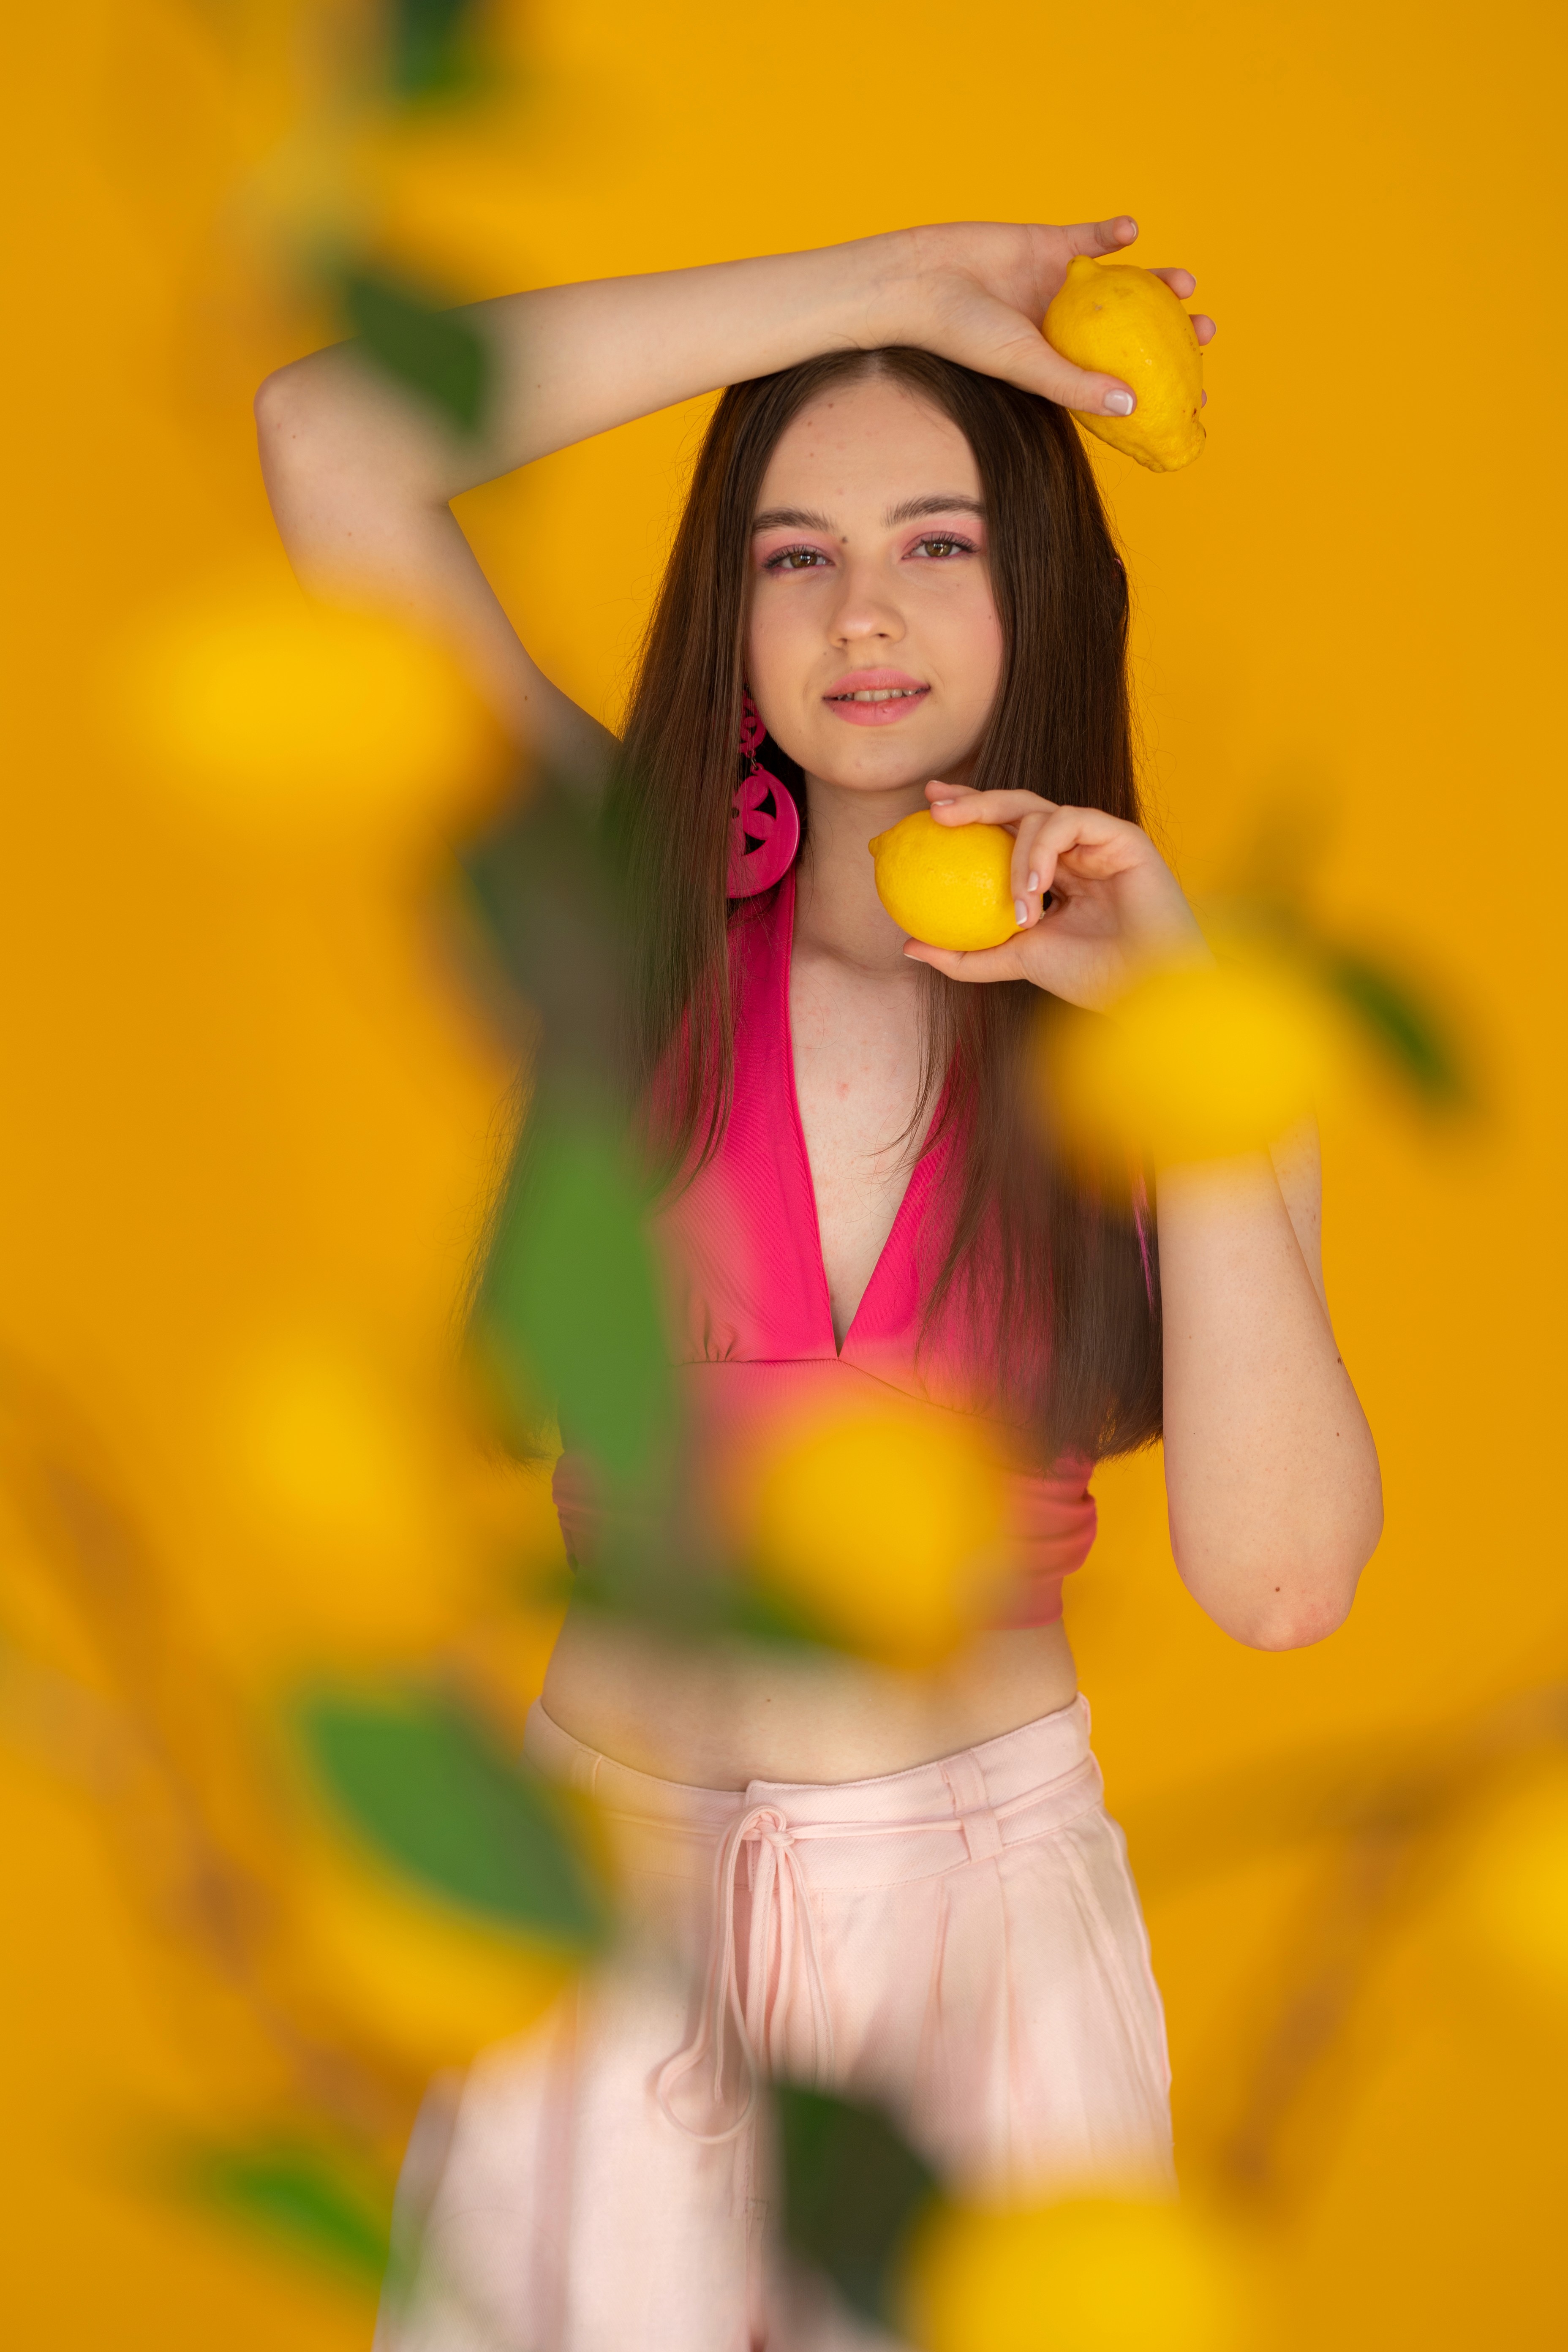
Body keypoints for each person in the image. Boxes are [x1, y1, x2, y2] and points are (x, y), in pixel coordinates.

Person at [257, 218, 1383, 2351]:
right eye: (794, 552)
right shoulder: (625, 910)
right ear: (732, 598)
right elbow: (331, 433)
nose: (864, 607)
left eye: (938, 542)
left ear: (1033, 586)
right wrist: (890, 295)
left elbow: (1279, 1581)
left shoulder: (1174, 1015)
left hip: (988, 1957)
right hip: (604, 1914)